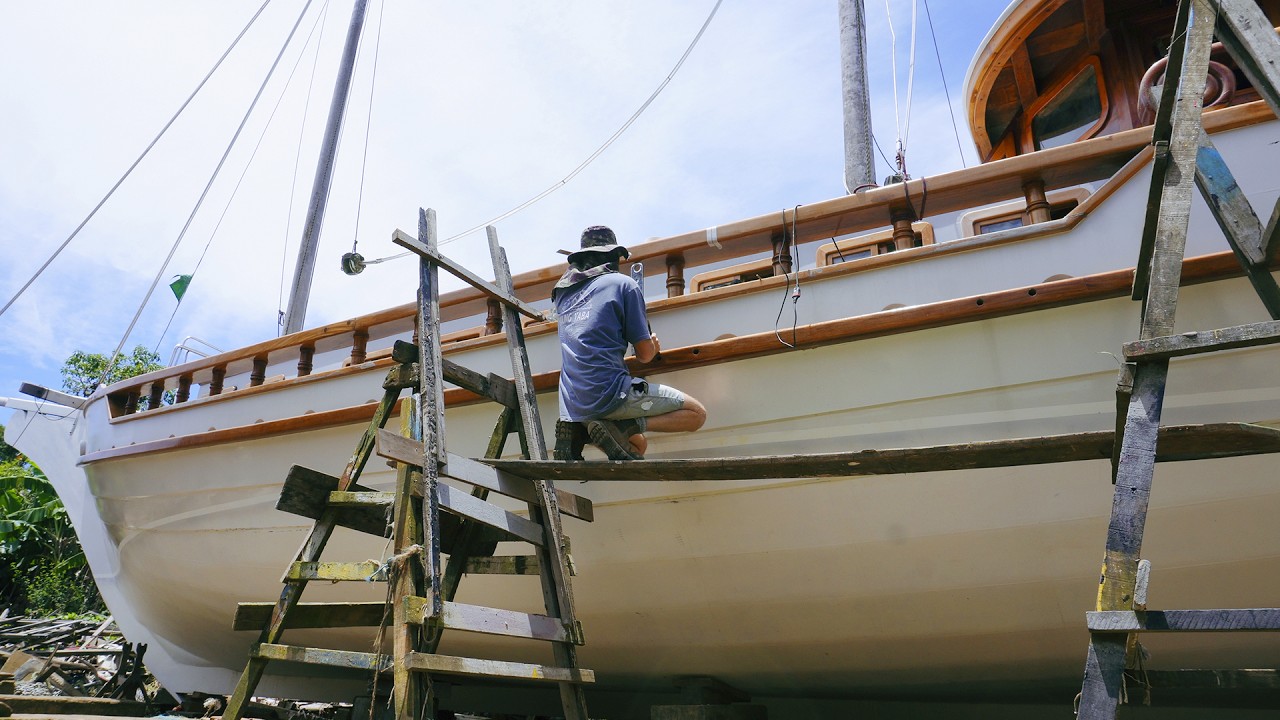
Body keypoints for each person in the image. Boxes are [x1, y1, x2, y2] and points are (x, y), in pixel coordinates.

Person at [551, 226, 706, 461]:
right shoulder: (622, 284)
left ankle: (580, 431)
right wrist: (653, 345)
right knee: (696, 414)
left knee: (637, 446)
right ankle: (623, 426)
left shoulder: (562, 295)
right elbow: (644, 355)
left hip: (573, 403)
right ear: (614, 256)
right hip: (608, 394)